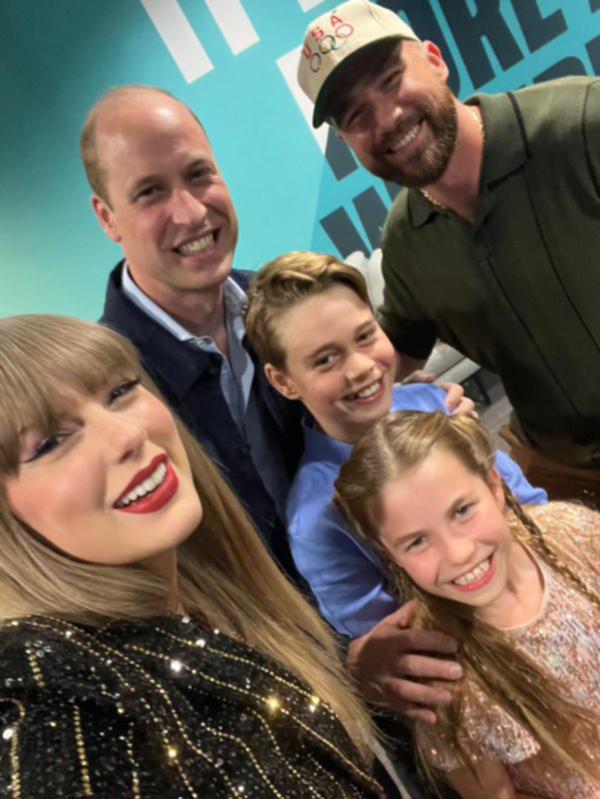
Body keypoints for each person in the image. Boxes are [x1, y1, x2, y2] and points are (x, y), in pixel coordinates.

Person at [81, 84, 468, 585]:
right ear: (107, 217)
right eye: (150, 192)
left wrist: (420, 414)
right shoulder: (103, 389)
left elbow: (357, 435)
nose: (192, 212)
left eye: (199, 174)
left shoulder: (285, 307)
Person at [0, 313, 386, 798]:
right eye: (52, 442)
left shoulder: (203, 598)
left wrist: (352, 686)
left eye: (120, 391)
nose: (128, 436)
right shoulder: (50, 700)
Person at [297, 0, 600, 503]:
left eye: (391, 80)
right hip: (563, 472)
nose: (388, 118)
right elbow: (395, 352)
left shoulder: (582, 123)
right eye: (356, 115)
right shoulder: (405, 242)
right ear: (348, 141)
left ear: (435, 60)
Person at [245, 251, 545, 755]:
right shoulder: (316, 517)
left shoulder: (429, 404)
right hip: (498, 693)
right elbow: (406, 650)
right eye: (325, 359)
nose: (362, 368)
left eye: (365, 336)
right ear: (283, 380)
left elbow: (527, 506)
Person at [335, 411, 600, 798]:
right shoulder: (443, 680)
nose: (458, 553)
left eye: (462, 511)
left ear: (494, 486)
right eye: (417, 541)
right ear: (389, 553)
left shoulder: (573, 531)